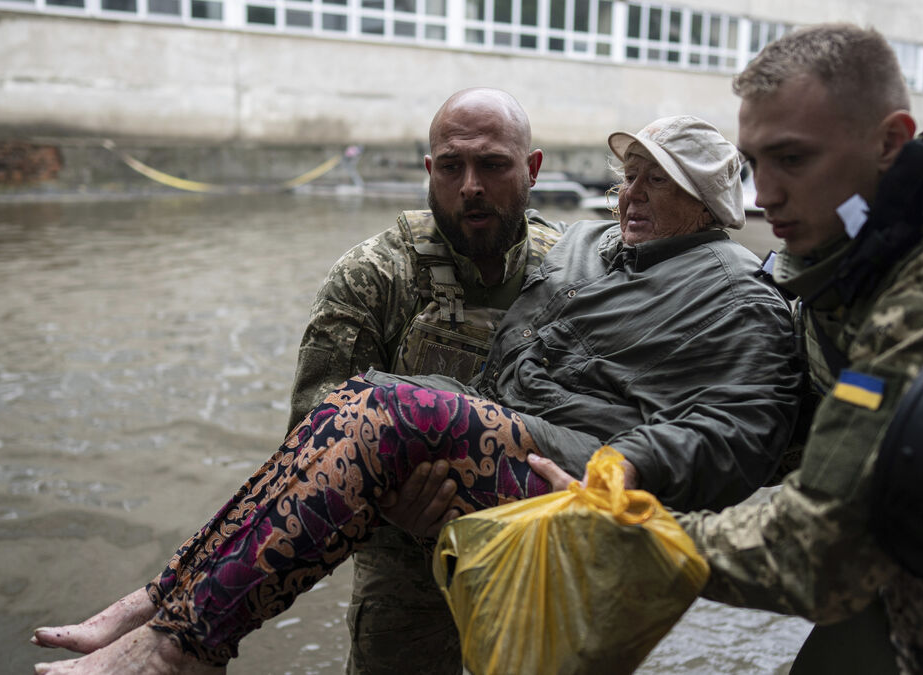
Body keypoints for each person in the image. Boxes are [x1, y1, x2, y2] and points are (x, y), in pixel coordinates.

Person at [31, 115, 803, 673]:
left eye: (657, 181)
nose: (630, 193)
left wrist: (624, 464)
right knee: (353, 402)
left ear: (708, 203)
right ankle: (162, 600)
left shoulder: (737, 290)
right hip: (485, 453)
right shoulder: (584, 245)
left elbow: (744, 430)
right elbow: (317, 425)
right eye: (628, 175)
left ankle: (179, 650)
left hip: (572, 481)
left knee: (392, 414)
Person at [548, 22, 923, 674]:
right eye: (755, 162)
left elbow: (814, 552)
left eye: (793, 160)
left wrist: (626, 531)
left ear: (891, 141)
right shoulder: (891, 226)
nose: (765, 195)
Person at [32, 86, 563, 675]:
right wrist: (398, 505)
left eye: (493, 165)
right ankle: (167, 615)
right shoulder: (373, 276)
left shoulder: (573, 276)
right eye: (451, 166)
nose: (470, 186)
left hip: (530, 547)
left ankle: (167, 625)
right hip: (406, 564)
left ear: (532, 169)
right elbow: (312, 446)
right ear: (428, 169)